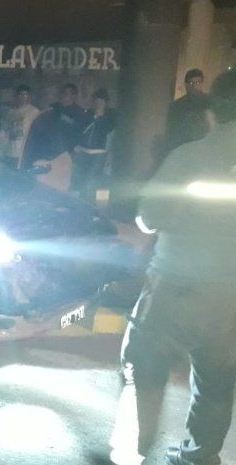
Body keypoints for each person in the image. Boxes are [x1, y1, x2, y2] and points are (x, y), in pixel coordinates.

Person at [108, 69, 236, 465]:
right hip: (231, 298)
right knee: (217, 383)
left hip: (176, 288)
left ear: (213, 111)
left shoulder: (191, 157)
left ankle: (132, 451)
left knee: (143, 367)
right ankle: (200, 457)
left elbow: (150, 217)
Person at [23, 83, 86, 191]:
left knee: (60, 190)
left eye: (69, 94)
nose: (66, 96)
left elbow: (77, 136)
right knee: (42, 188)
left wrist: (71, 153)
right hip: (43, 158)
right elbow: (36, 136)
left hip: (63, 157)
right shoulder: (49, 112)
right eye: (64, 93)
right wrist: (31, 159)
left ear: (74, 96)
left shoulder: (80, 114)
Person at [72, 88, 117, 203]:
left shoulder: (110, 116)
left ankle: (89, 204)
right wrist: (76, 145)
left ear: (106, 103)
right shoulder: (87, 114)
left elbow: (107, 130)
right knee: (81, 178)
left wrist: (100, 115)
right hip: (83, 151)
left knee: (92, 180)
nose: (98, 103)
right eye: (97, 101)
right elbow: (79, 130)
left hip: (99, 153)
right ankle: (80, 203)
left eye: (101, 101)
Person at [164, 69, 213, 155]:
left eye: (197, 83)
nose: (194, 86)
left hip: (205, 148)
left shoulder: (210, 102)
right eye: (191, 83)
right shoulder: (176, 106)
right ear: (186, 85)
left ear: (202, 83)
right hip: (183, 148)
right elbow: (171, 131)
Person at [6, 85, 40, 168]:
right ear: (17, 96)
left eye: (25, 94)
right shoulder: (11, 112)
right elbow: (7, 130)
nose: (23, 97)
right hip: (10, 151)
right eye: (20, 95)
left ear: (29, 96)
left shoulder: (34, 111)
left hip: (24, 151)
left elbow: (37, 132)